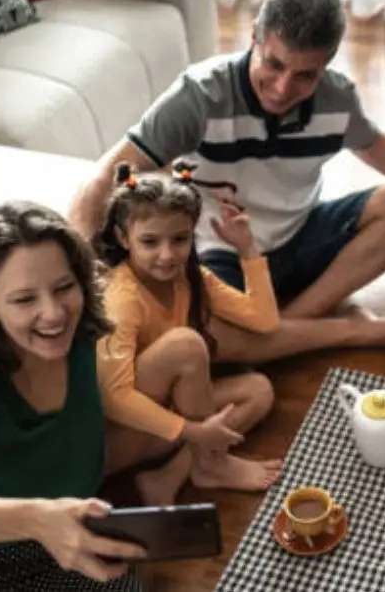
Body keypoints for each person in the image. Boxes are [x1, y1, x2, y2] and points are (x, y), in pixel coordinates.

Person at [68, 0, 385, 365]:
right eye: (274, 64)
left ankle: (286, 327)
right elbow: (102, 178)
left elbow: (375, 146)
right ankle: (351, 330)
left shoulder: (338, 98)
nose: (282, 89)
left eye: (305, 75)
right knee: (201, 335)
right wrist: (83, 274)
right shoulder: (198, 96)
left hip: (302, 235)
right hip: (223, 251)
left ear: (326, 64)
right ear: (255, 37)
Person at [0, 201, 188, 592]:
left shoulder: (87, 338)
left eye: (64, 288)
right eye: (24, 299)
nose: (54, 314)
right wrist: (39, 519)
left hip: (61, 541)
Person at [92, 163, 283, 496]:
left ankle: (171, 476)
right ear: (124, 238)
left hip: (164, 417)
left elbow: (265, 320)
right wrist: (192, 431)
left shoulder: (190, 277)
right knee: (186, 345)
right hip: (116, 437)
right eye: (150, 242)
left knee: (258, 391)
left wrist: (247, 248)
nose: (167, 255)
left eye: (179, 239)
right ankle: (210, 460)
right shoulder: (122, 298)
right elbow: (114, 401)